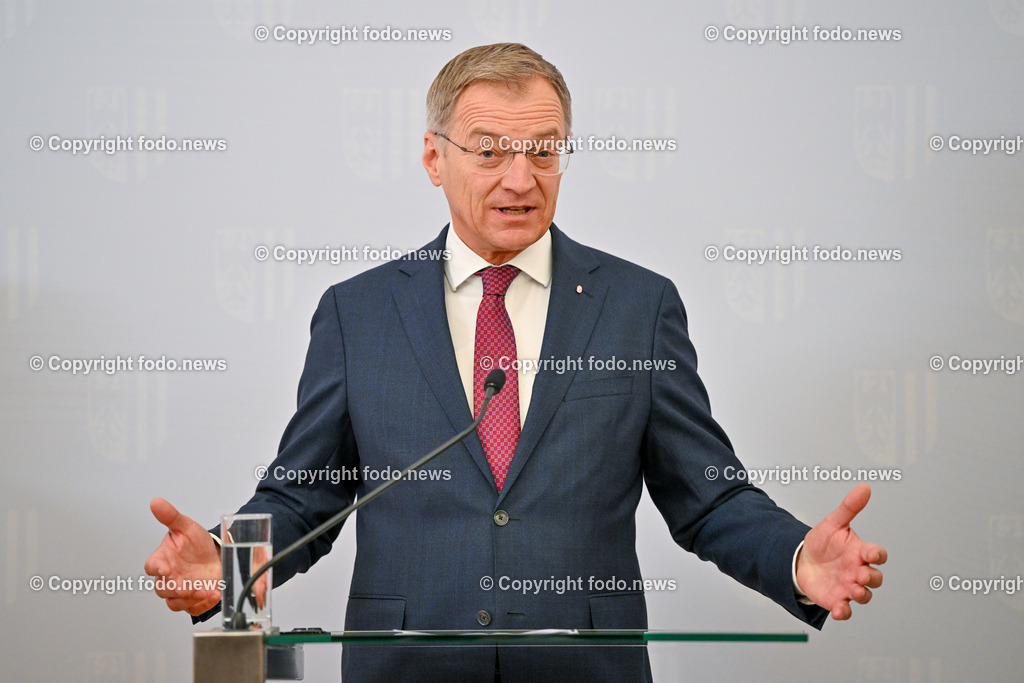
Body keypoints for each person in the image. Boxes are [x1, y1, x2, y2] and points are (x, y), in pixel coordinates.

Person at [144, 43, 887, 682]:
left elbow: (709, 498)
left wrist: (797, 558)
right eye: (490, 150)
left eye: (544, 150)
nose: (521, 178)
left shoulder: (637, 306)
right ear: (434, 157)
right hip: (405, 667)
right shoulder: (357, 312)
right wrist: (225, 563)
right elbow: (306, 496)